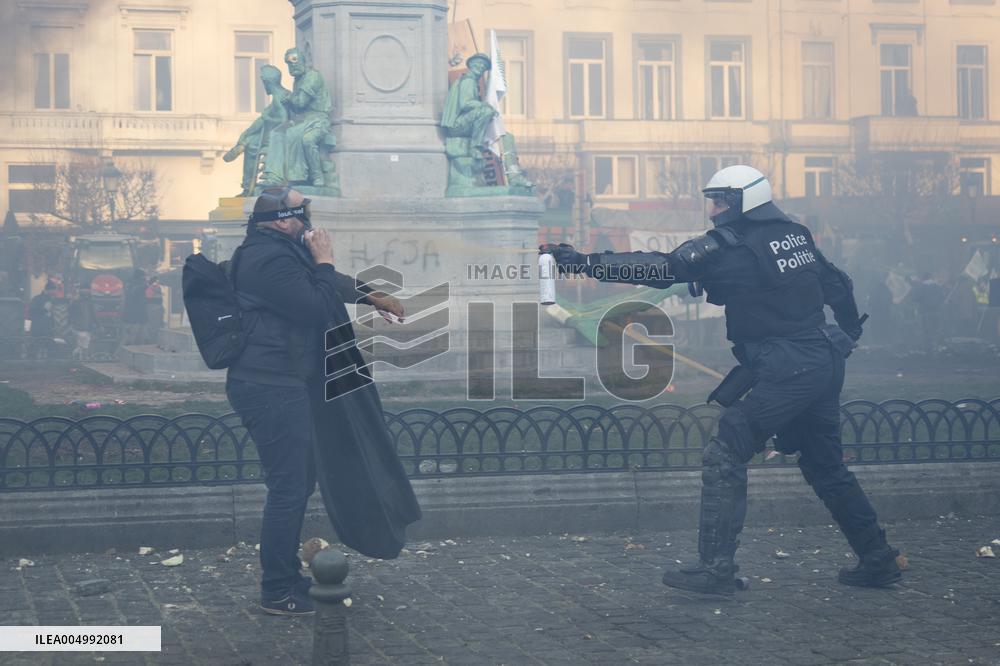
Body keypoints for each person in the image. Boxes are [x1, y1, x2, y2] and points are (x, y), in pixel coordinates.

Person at [541, 165, 902, 595]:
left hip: (789, 367)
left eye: (721, 201)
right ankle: (877, 557)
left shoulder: (733, 245)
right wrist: (849, 332)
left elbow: (663, 267)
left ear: (746, 201)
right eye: (712, 200)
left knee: (726, 450)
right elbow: (837, 284)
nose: (713, 210)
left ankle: (716, 570)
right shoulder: (794, 234)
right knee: (825, 465)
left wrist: (584, 263)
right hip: (821, 360)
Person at [226, 186, 406, 616]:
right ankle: (276, 590)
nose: (309, 219)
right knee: (289, 489)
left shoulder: (279, 252)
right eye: (302, 211)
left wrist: (369, 294)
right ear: (284, 220)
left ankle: (287, 579)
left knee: (297, 484)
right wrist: (325, 259)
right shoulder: (265, 260)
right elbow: (314, 305)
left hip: (285, 381)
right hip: (269, 386)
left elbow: (321, 283)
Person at [223, 65, 290, 196]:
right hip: (271, 133)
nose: (263, 86)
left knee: (251, 146)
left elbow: (284, 121)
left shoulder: (278, 97)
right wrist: (247, 132)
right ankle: (242, 143)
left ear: (267, 82)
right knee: (250, 139)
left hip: (278, 137)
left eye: (263, 83)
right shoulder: (282, 94)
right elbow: (261, 120)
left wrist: (267, 118)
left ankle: (247, 187)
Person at [27, 280, 59, 359]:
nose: (54, 292)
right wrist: (44, 310)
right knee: (35, 349)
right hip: (38, 329)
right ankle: (32, 363)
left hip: (48, 330)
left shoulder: (52, 300)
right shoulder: (37, 299)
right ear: (48, 290)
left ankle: (49, 363)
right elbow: (31, 312)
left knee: (50, 350)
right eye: (53, 290)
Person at [121, 269, 149, 345]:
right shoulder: (131, 285)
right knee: (129, 340)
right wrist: (145, 285)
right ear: (138, 278)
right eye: (143, 278)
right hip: (132, 318)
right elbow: (135, 291)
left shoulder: (131, 285)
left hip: (139, 318)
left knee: (140, 340)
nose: (144, 280)